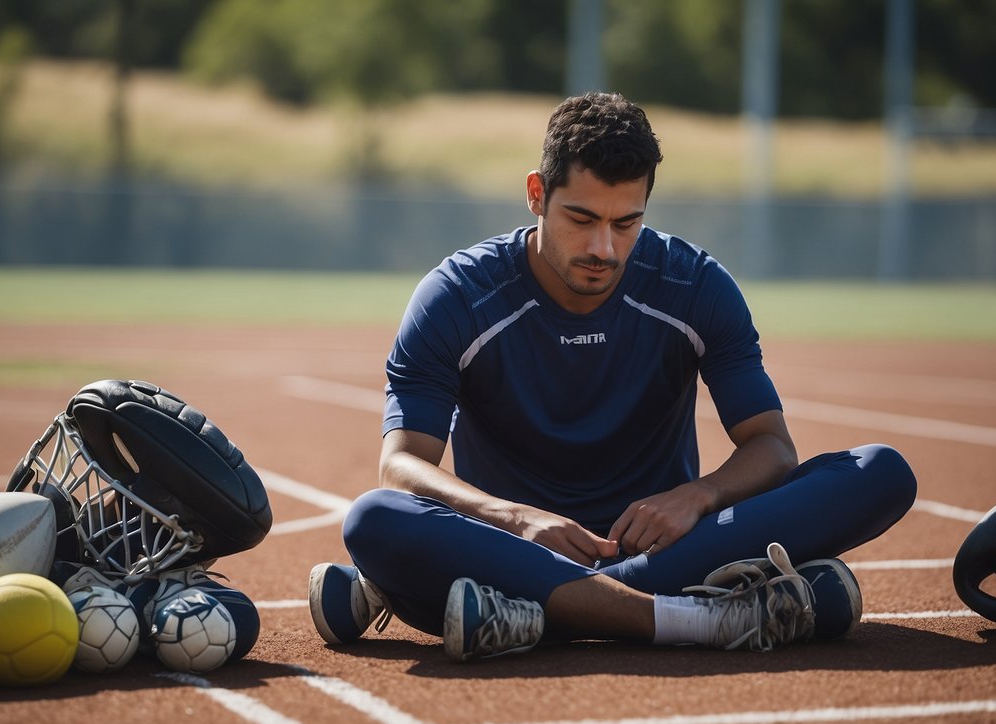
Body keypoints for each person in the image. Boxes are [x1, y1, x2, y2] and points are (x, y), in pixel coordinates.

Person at [308, 92, 917, 662]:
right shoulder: (457, 297)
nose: (604, 247)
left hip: (665, 548)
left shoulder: (695, 285)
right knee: (373, 515)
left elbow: (772, 448)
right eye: (581, 217)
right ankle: (700, 617)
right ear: (535, 193)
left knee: (881, 473)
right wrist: (514, 519)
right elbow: (402, 465)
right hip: (514, 546)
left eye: (627, 223)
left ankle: (523, 613)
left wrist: (697, 496)